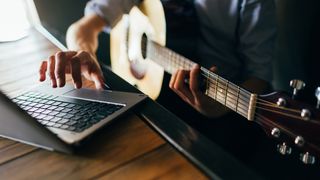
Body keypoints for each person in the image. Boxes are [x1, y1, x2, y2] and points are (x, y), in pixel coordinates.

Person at [39, 0, 276, 119]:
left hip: (219, 105)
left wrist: (218, 108)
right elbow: (82, 29)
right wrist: (84, 53)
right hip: (149, 92)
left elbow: (260, 76)